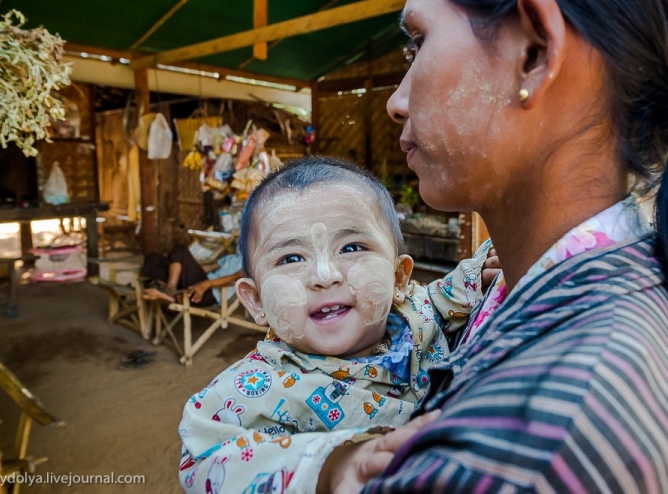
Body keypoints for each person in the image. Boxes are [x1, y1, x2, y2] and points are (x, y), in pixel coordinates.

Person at [315, 0, 668, 493]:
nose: (397, 99)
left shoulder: (519, 459)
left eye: (419, 43)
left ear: (534, 52)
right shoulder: (634, 283)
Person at [177, 157, 495, 493]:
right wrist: (331, 467)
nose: (325, 276)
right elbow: (203, 460)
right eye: (290, 258)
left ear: (399, 277)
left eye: (352, 247)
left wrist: (483, 271)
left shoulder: (419, 310)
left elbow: (453, 289)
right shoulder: (250, 390)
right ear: (256, 301)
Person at [141, 244, 242, 307]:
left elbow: (237, 277)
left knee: (180, 249)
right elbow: (210, 267)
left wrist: (206, 284)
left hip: (209, 292)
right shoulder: (233, 257)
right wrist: (185, 265)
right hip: (200, 281)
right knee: (154, 258)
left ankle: (169, 290)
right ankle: (171, 293)